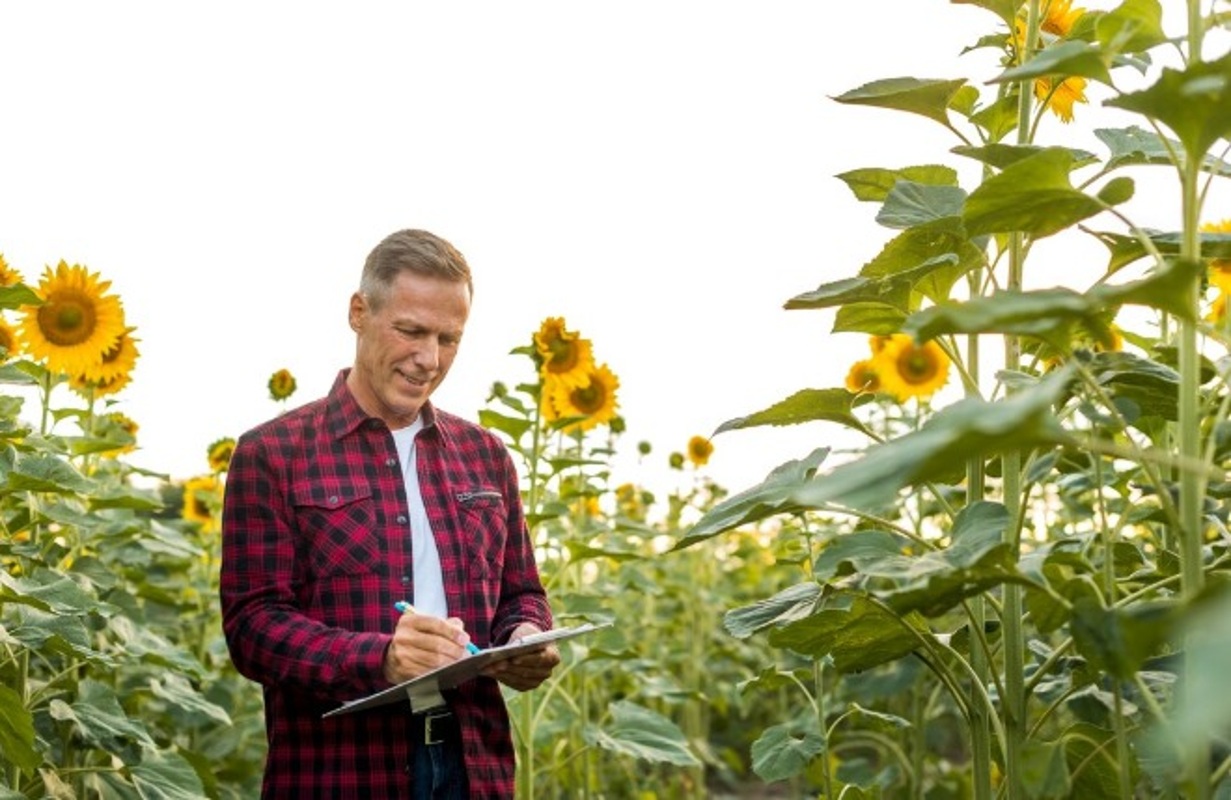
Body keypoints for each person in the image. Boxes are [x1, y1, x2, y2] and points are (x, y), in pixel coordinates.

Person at [220, 228, 560, 799]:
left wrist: (526, 634)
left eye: (449, 339)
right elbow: (253, 628)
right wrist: (378, 658)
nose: (429, 359)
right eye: (411, 331)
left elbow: (521, 591)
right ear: (359, 312)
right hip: (342, 774)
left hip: (474, 764)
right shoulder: (273, 454)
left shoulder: (486, 455)